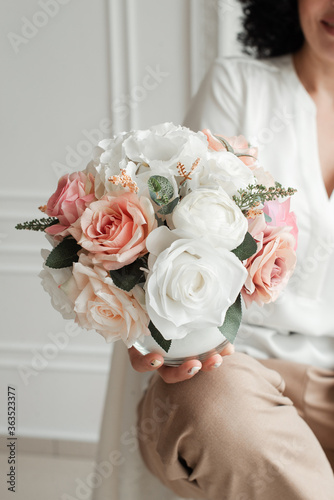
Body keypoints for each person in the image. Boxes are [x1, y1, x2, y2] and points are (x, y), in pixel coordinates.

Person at [132, 1, 334, 499]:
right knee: (218, 414)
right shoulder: (240, 85)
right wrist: (158, 335)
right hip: (233, 366)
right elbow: (171, 238)